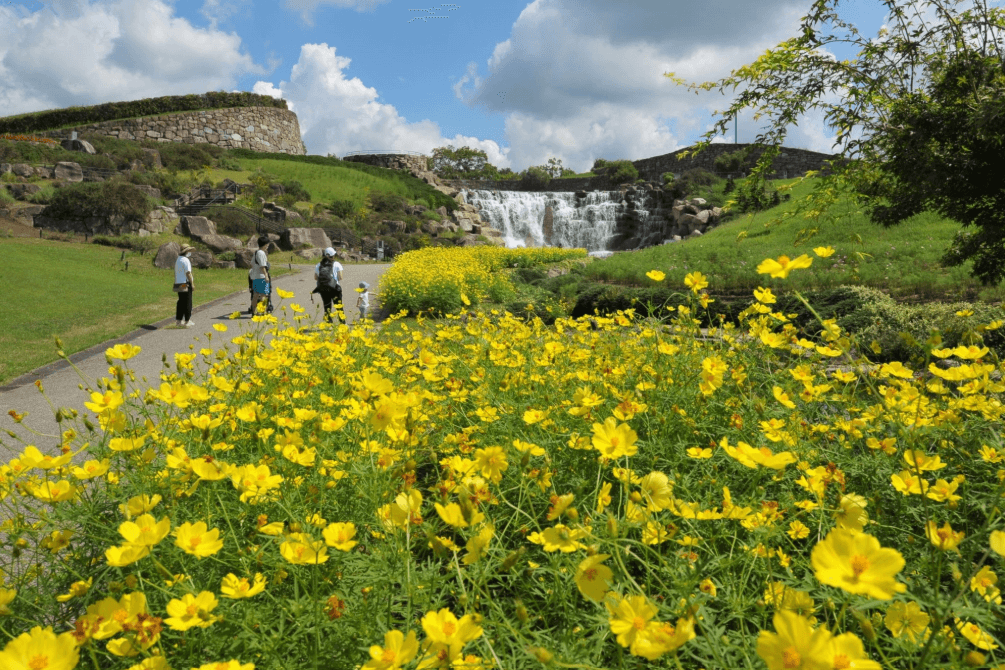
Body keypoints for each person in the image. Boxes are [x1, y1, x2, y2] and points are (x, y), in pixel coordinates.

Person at [313, 247, 344, 323]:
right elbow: (340, 277)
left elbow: (315, 278)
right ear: (333, 255)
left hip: (323, 289)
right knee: (338, 306)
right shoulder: (337, 264)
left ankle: (329, 323)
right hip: (335, 288)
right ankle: (342, 322)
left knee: (327, 306)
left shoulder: (318, 265)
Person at [174, 244, 196, 328]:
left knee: (181, 302)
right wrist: (192, 284)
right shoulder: (186, 260)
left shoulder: (178, 259)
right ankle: (187, 320)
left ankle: (179, 320)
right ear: (186, 252)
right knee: (187, 302)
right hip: (185, 282)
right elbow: (188, 273)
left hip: (178, 283)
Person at [249, 236, 272, 315]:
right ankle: (263, 311)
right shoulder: (261, 253)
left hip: (255, 277)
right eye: (267, 245)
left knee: (255, 295)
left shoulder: (256, 252)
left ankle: (253, 311)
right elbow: (263, 266)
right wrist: (266, 276)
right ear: (265, 244)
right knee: (263, 295)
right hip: (261, 277)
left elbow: (252, 264)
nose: (268, 246)